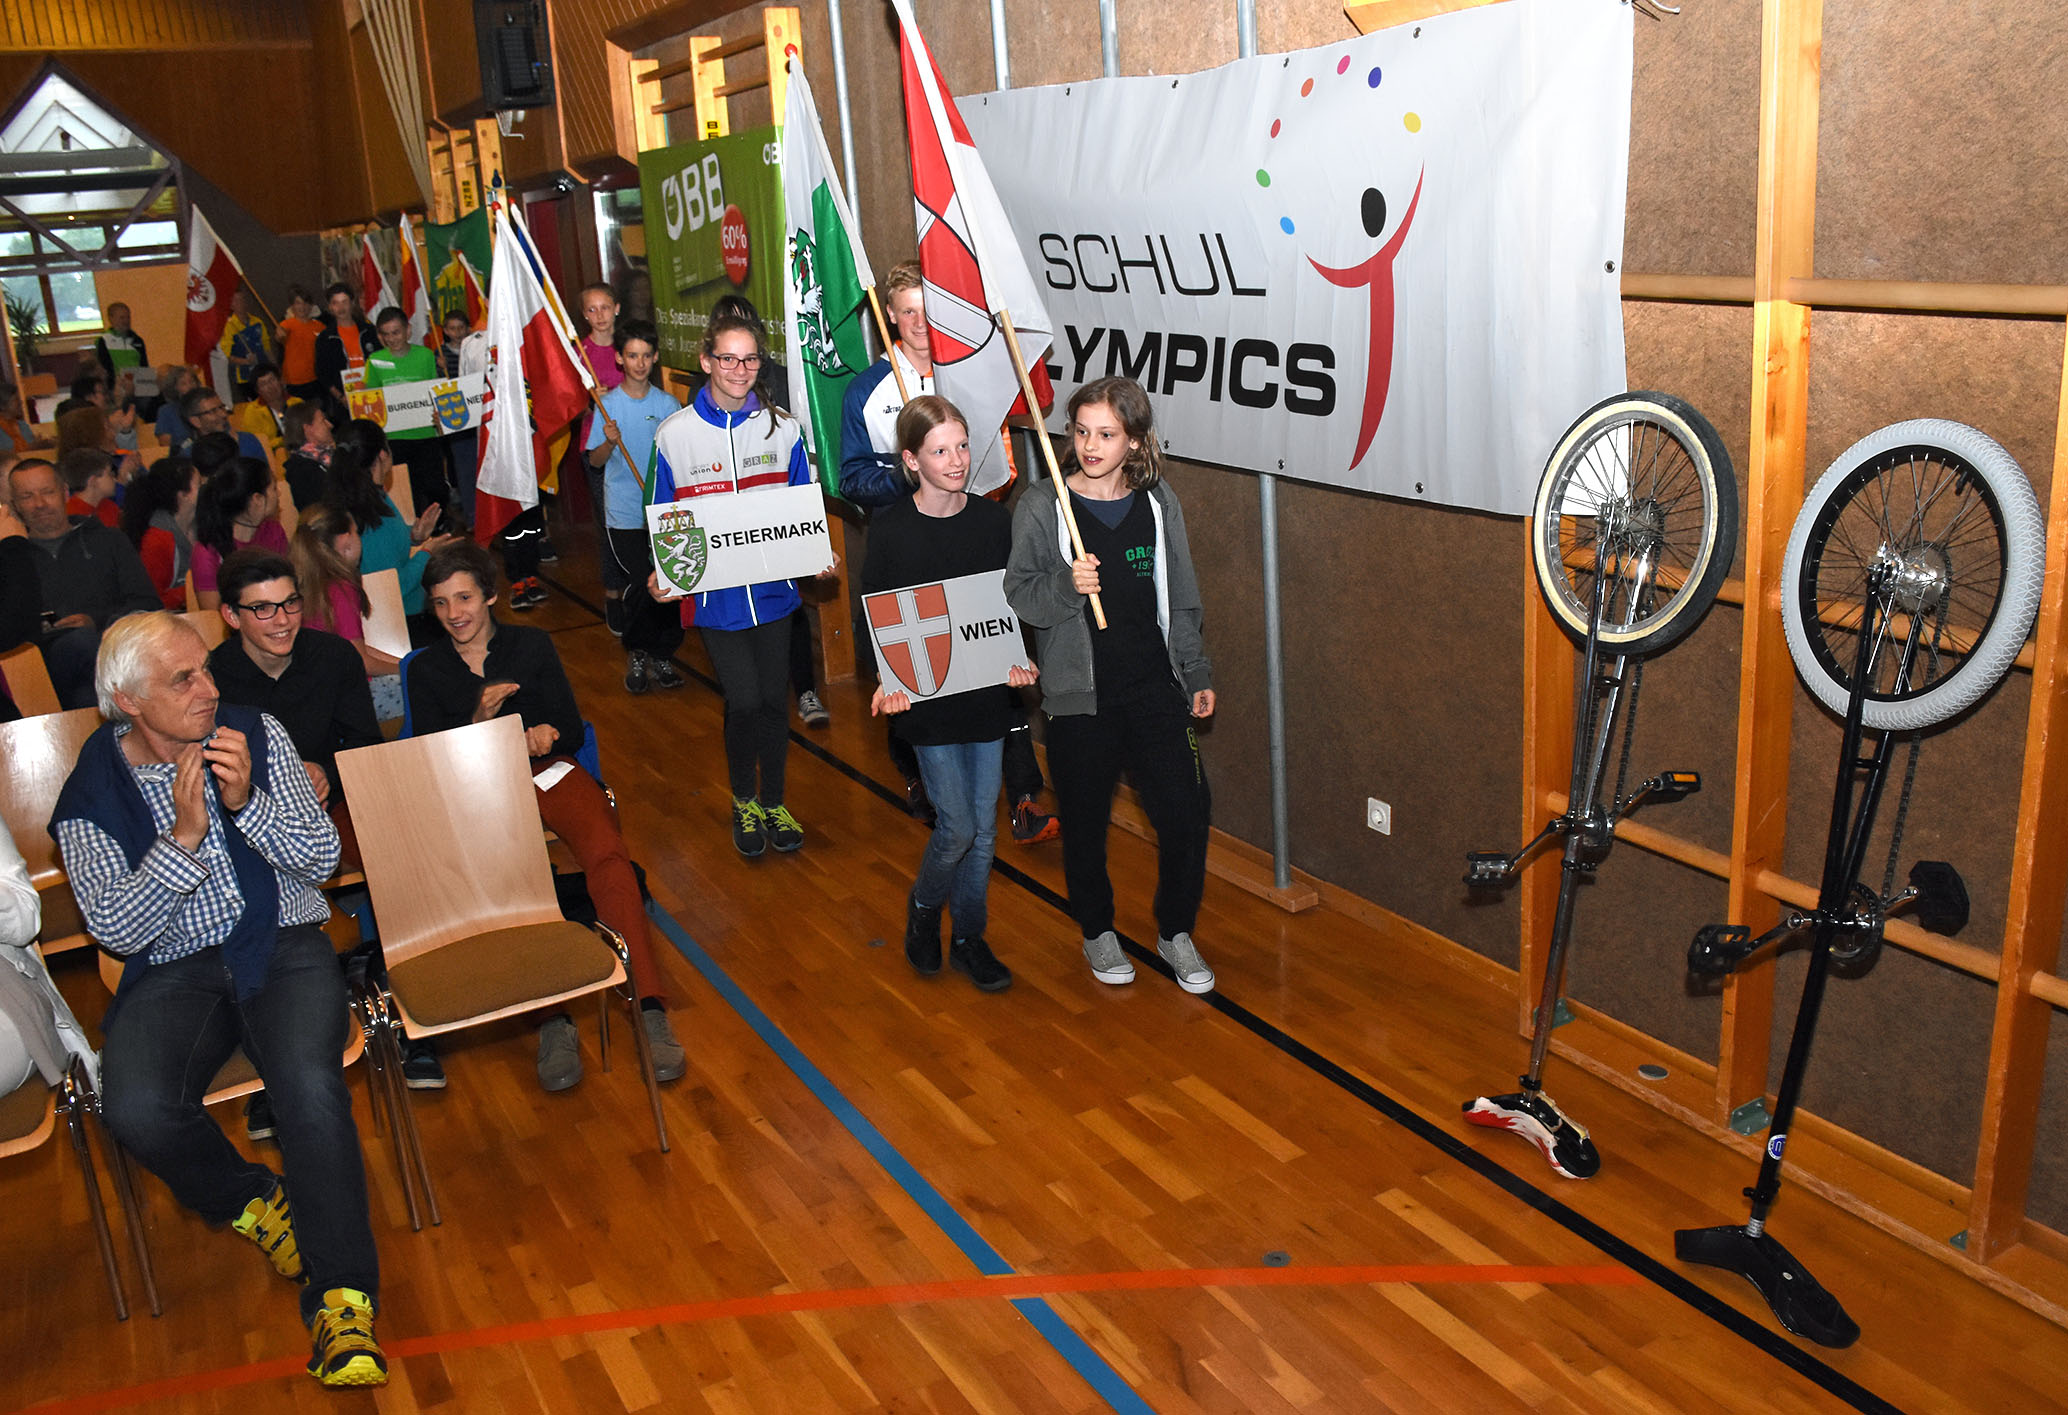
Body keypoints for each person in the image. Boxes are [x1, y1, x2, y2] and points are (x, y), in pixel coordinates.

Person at [51, 613, 387, 1388]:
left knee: (308, 1086)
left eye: (205, 668)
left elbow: (323, 857)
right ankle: (255, 1200)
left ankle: (343, 1300)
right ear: (129, 701)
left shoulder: (254, 734)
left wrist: (249, 805)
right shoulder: (90, 795)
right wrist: (183, 839)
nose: (209, 688)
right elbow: (117, 929)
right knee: (134, 1106)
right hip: (176, 968)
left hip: (284, 945)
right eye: (184, 679)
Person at [407, 541, 687, 1091]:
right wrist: (479, 721)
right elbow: (429, 760)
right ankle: (551, 1018)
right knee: (516, 879)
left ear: (490, 595)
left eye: (464, 597)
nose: (454, 613)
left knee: (608, 854)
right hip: (478, 788)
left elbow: (572, 727)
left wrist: (544, 735)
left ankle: (648, 1005)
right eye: (440, 602)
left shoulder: (531, 645)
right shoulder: (427, 669)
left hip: (546, 770)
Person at [1004, 376, 1218, 995]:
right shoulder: (1043, 505)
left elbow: (1182, 597)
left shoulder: (1158, 503)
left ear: (1135, 442)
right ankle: (1097, 929)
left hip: (1155, 690)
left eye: (1107, 434)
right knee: (1086, 822)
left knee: (1187, 813)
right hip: (1080, 700)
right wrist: (1066, 586)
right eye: (1081, 432)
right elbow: (1021, 595)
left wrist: (1195, 670)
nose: (1091, 446)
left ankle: (1175, 931)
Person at [864, 396, 1034, 993]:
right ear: (912, 460)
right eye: (940, 451)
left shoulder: (993, 523)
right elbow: (875, 618)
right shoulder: (890, 530)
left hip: (987, 697)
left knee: (984, 834)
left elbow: (1011, 607)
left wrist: (1021, 659)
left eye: (962, 446)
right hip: (927, 702)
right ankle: (923, 909)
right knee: (958, 827)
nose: (957, 460)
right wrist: (887, 681)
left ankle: (968, 938)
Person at [649, 316, 829, 857]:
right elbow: (662, 513)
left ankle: (773, 801)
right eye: (727, 358)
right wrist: (662, 573)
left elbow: (802, 505)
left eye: (749, 359)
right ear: (706, 360)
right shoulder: (674, 435)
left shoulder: (784, 429)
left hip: (775, 593)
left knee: (774, 700)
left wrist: (817, 554)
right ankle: (743, 800)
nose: (739, 369)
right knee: (744, 699)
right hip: (714, 599)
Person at [8, 455, 160, 708]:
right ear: (15, 506)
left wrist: (95, 621)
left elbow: (148, 605)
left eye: (47, 492)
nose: (39, 504)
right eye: (27, 497)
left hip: (111, 656)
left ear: (65, 492)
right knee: (80, 645)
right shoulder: (11, 559)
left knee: (87, 693)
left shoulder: (110, 541)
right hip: (42, 668)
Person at [583, 319, 683, 691]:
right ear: (620, 359)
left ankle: (663, 654)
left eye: (645, 355)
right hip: (625, 515)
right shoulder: (607, 406)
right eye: (632, 355)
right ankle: (638, 651)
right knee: (643, 583)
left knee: (671, 581)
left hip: (662, 512)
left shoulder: (668, 404)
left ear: (655, 358)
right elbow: (595, 462)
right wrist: (609, 442)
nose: (639, 363)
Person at [325, 419, 457, 621]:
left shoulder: (364, 494)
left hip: (397, 610)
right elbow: (394, 586)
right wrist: (428, 553)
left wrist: (414, 536)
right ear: (382, 454)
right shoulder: (367, 510)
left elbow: (385, 547)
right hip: (400, 618)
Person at [290, 502, 406, 721]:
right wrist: (406, 670)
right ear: (345, 542)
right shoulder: (340, 589)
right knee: (426, 687)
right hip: (348, 700)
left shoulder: (308, 587)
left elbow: (354, 648)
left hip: (320, 698)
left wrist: (405, 663)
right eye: (356, 532)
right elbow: (361, 662)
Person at [573, 284, 626, 625]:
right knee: (609, 521)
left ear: (617, 308)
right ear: (584, 315)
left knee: (638, 517)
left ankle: (640, 586)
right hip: (597, 446)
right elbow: (567, 404)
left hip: (634, 441)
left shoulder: (629, 346)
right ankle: (613, 593)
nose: (599, 315)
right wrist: (588, 401)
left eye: (605, 307)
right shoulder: (579, 354)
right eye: (591, 310)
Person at [362, 306, 447, 516]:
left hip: (426, 434)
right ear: (380, 336)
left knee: (435, 487)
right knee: (408, 491)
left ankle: (439, 523)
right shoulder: (375, 361)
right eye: (386, 334)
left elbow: (435, 391)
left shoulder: (425, 356)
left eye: (396, 332)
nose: (392, 338)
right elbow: (371, 399)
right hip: (394, 438)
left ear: (408, 330)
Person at [190, 457, 286, 612]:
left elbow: (286, 586)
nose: (279, 493)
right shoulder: (207, 551)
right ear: (257, 499)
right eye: (274, 488)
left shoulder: (273, 530)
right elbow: (213, 615)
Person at [120, 455, 200, 610]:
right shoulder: (156, 539)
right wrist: (196, 588)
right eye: (199, 484)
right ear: (183, 495)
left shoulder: (203, 522)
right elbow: (151, 601)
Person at [314, 284, 376, 402]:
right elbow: (322, 373)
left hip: (374, 392)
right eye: (335, 303)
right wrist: (340, 397)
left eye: (344, 302)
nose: (340, 308)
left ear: (352, 303)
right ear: (330, 307)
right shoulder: (325, 338)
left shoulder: (369, 331)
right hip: (344, 398)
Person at [177, 387, 268, 462]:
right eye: (213, 411)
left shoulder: (247, 441)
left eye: (222, 407)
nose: (223, 414)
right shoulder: (190, 457)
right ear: (196, 421)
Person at [220, 286, 274, 401]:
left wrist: (275, 368)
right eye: (236, 301)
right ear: (231, 305)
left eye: (242, 299)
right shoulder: (229, 327)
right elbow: (226, 356)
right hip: (246, 378)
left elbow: (267, 348)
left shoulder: (257, 322)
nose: (240, 303)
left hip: (264, 372)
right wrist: (245, 361)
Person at [281, 401, 334, 511]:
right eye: (323, 421)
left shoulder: (331, 455)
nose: (330, 425)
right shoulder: (300, 471)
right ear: (308, 429)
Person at [235, 365, 294, 455]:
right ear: (258, 390)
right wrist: (283, 440)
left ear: (280, 381)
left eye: (272, 380)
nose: (270, 387)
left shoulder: (296, 402)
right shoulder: (253, 411)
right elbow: (258, 443)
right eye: (263, 384)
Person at [93, 302, 148, 387]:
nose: (126, 321)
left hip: (139, 385)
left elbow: (144, 366)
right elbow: (105, 369)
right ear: (111, 319)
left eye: (128, 317)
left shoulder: (137, 340)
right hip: (117, 386)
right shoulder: (104, 341)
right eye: (122, 318)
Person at [153, 366, 198, 443]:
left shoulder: (206, 404)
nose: (190, 386)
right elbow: (165, 443)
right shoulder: (166, 411)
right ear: (175, 388)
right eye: (183, 384)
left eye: (192, 381)